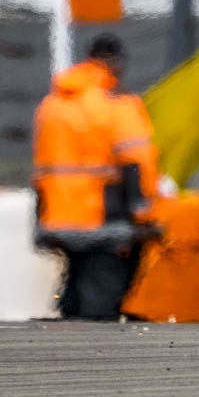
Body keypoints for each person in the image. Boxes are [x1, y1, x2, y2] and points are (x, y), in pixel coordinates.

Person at [32, 35, 172, 319]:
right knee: (102, 300)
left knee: (77, 285)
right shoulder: (117, 104)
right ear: (115, 62)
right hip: (105, 218)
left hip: (58, 216)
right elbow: (135, 161)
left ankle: (67, 324)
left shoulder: (53, 103)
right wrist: (145, 214)